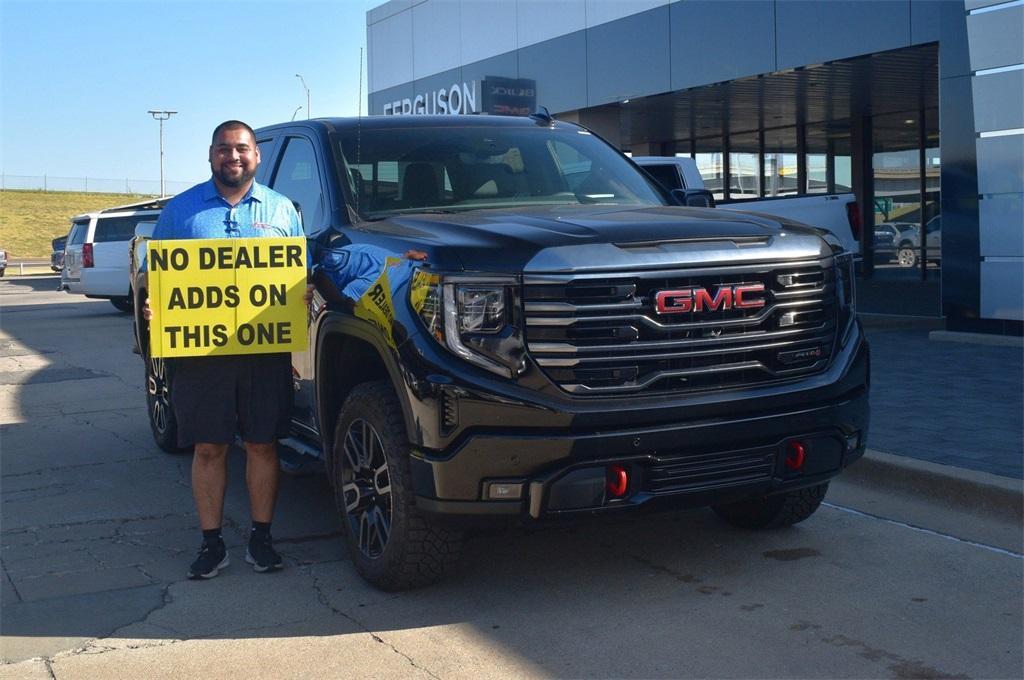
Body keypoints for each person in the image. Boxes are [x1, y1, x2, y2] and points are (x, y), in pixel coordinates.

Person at [145, 120, 303, 579]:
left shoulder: (281, 211)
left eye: (241, 149)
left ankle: (262, 540)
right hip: (200, 355)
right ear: (210, 155)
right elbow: (159, 280)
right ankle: (212, 545)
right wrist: (157, 309)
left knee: (262, 444)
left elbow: (298, 274)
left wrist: (303, 294)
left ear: (257, 156)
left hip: (264, 352)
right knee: (209, 447)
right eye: (223, 149)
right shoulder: (181, 212)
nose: (232, 157)